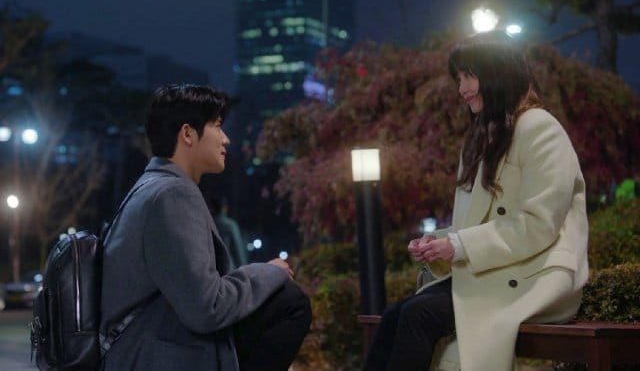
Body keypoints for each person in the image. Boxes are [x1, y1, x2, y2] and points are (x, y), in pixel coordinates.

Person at [363, 32, 589, 371]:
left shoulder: (541, 129)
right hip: (496, 270)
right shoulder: (484, 137)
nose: (462, 89)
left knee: (417, 314)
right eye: (459, 79)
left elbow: (538, 225)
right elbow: (473, 226)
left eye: (469, 76)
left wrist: (457, 245)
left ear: (498, 73)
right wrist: (437, 243)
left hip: (536, 273)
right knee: (397, 314)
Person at [101, 84, 311, 371]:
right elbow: (206, 308)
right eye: (217, 126)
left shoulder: (150, 187)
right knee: (289, 302)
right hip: (150, 355)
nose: (226, 139)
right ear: (187, 134)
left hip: (138, 347)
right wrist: (268, 273)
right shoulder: (172, 194)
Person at [208, 195, 248, 269]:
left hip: (211, 267)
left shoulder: (208, 224)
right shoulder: (230, 225)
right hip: (228, 267)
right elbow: (237, 249)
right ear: (225, 208)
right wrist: (244, 268)